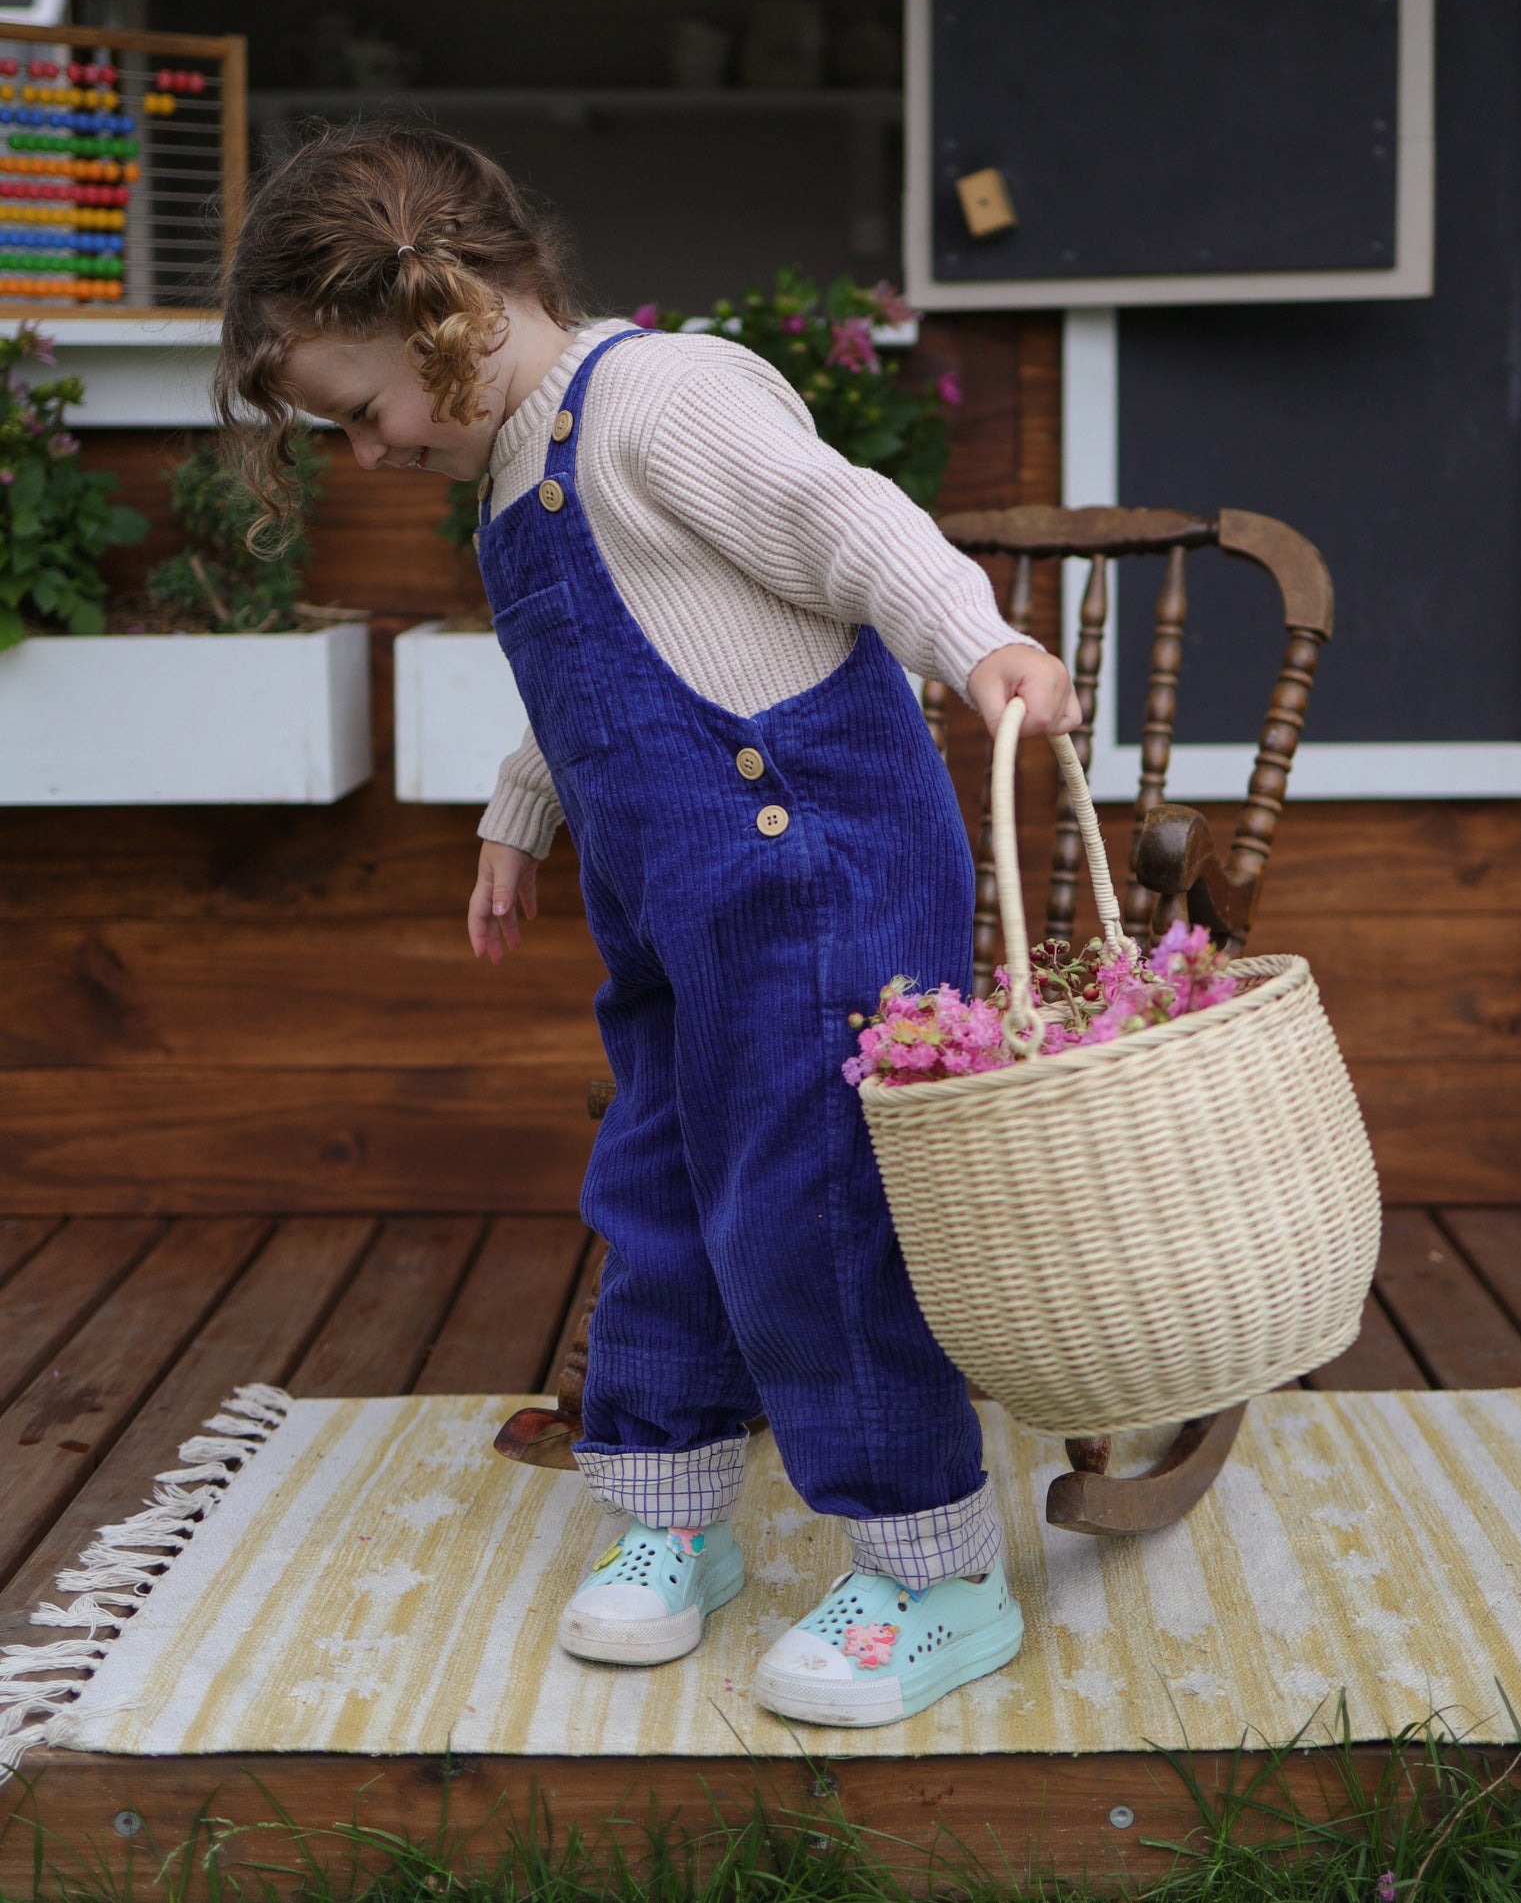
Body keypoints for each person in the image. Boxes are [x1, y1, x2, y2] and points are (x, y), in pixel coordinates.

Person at [216, 122, 1080, 1728]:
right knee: (665, 1182)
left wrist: (979, 641)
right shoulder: (515, 482)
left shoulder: (663, 405)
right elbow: (609, 670)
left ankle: (933, 1561)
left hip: (818, 871)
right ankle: (675, 1516)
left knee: (810, 1209)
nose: (368, 451)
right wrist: (520, 808)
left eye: (362, 410)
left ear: (441, 314)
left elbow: (849, 522)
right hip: (681, 914)